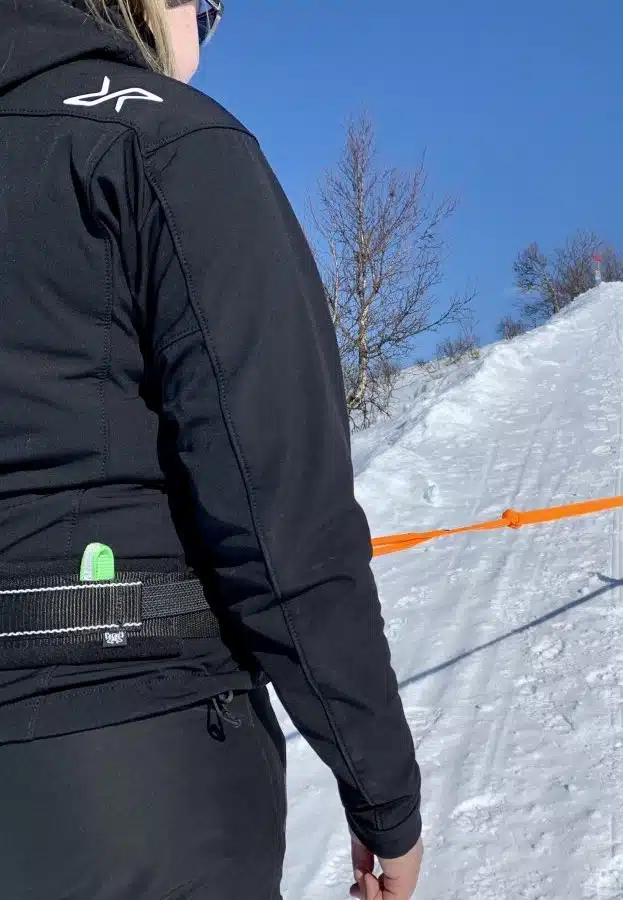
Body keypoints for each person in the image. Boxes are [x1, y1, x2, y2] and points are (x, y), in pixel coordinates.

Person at [0, 2, 423, 899]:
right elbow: (283, 519)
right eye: (207, 9)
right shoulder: (166, 142)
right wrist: (383, 794)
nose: (202, 37)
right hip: (131, 773)